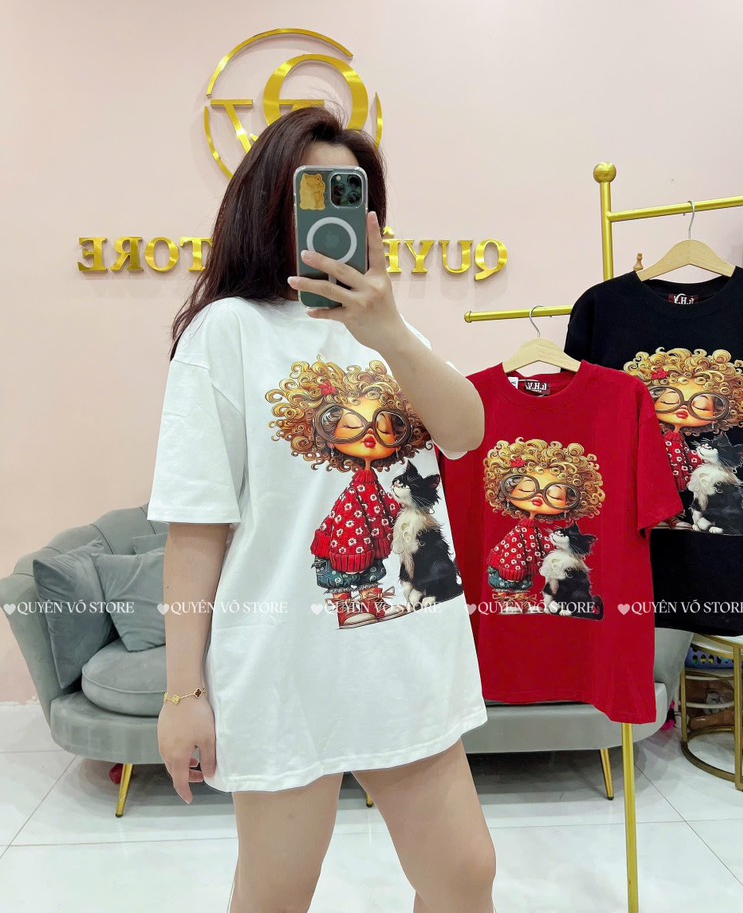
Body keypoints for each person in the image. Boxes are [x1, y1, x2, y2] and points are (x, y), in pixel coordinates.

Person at [147, 106, 497, 913]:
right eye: (315, 191)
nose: (336, 211)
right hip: (283, 666)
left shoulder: (390, 332)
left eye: (353, 193)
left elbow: (466, 433)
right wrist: (182, 694)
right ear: (270, 201)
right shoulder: (228, 332)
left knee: (464, 875)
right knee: (276, 894)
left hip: (408, 652)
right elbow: (196, 529)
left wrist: (389, 330)